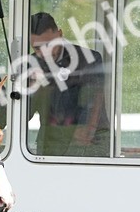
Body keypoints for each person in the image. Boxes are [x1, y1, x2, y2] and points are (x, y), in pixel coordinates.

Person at [25, 11, 108, 157]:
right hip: (50, 146)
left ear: (60, 34)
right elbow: (25, 113)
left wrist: (85, 132)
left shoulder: (88, 59)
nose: (44, 53)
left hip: (91, 144)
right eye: (37, 48)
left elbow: (91, 105)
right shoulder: (30, 66)